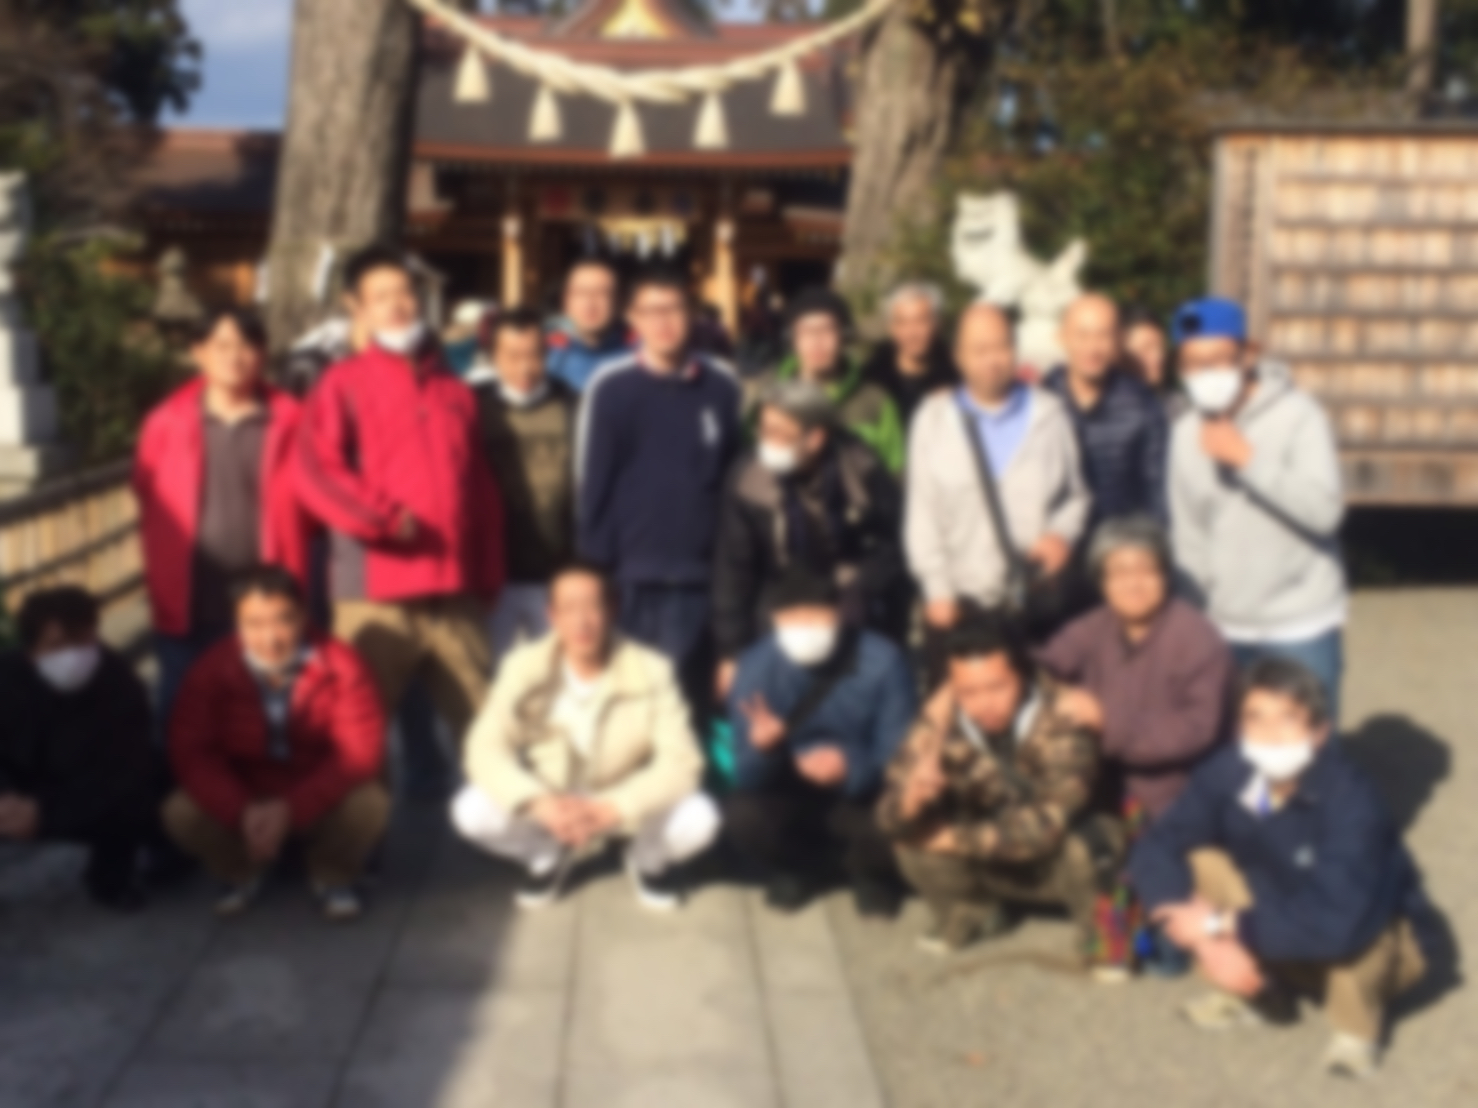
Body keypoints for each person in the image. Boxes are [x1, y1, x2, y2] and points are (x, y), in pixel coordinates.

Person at [1129, 657, 1430, 1079]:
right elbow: (1159, 843)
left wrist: (1215, 923)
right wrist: (1205, 940)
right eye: (1256, 718)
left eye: (1288, 719)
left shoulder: (1354, 800)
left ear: (1319, 733)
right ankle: (1251, 988)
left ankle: (1356, 1032)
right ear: (1240, 729)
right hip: (1280, 907)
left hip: (1374, 936)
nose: (1269, 734)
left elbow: (1338, 920)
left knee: (1355, 932)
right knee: (1199, 859)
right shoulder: (1228, 771)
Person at [295, 244, 504, 751]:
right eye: (381, 296)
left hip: (452, 590)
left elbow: (478, 487)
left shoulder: (454, 391)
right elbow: (316, 470)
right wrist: (383, 519)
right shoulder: (341, 383)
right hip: (374, 593)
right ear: (358, 307)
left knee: (490, 738)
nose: (397, 305)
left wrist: (488, 570)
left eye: (406, 293)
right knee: (356, 739)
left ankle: (490, 810)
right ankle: (363, 810)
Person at [451, 563, 720, 911]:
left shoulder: (652, 668)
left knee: (701, 816)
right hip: (551, 796)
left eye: (593, 607)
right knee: (470, 809)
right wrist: (537, 802)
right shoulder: (523, 666)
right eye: (569, 608)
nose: (582, 622)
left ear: (613, 609)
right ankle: (546, 855)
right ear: (552, 616)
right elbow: (484, 747)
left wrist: (615, 807)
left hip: (619, 799)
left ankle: (646, 858)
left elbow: (682, 761)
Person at [877, 614, 1121, 970]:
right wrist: (909, 802)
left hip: (1058, 860)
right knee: (910, 834)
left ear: (1022, 676)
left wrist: (949, 840)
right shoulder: (940, 724)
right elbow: (888, 812)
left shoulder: (1066, 718)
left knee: (1090, 848)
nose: (983, 703)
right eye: (968, 692)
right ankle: (975, 915)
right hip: (992, 851)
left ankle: (1101, 935)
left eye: (997, 687)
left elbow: (1044, 829)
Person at [164, 566, 389, 921]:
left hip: (314, 789)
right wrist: (241, 808)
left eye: (283, 620)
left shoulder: (344, 665)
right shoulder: (210, 670)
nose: (270, 639)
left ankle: (332, 873)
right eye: (253, 624)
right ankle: (241, 869)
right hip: (246, 792)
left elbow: (360, 754)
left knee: (369, 802)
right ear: (236, 624)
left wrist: (290, 808)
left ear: (303, 616)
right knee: (180, 811)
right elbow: (192, 755)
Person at [1167, 297, 1347, 720]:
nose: (1205, 374)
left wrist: (1247, 459)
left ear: (1248, 354)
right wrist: (1193, 619)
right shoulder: (1185, 432)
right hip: (1223, 626)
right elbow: (1189, 534)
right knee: (1235, 749)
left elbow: (1325, 512)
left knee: (1306, 746)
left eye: (1217, 359)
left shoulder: (1300, 416)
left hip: (1299, 623)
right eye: (1192, 364)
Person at [135, 306, 312, 734]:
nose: (235, 357)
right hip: (189, 594)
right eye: (222, 346)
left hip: (267, 592)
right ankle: (173, 778)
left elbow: (313, 501)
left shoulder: (292, 419)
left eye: (247, 345)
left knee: (270, 710)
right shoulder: (166, 422)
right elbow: (144, 487)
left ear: (263, 354)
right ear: (198, 352)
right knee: (181, 710)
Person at [576, 269, 743, 714]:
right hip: (633, 574)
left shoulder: (722, 386)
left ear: (692, 314)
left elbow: (735, 481)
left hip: (702, 575)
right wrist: (595, 570)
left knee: (690, 706)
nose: (664, 322)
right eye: (651, 311)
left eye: (674, 310)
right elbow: (593, 483)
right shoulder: (611, 387)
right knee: (629, 701)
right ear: (633, 318)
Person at [906, 302, 1089, 680]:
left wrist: (1062, 534)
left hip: (1034, 602)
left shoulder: (1050, 415)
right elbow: (922, 512)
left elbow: (1076, 496)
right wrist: (936, 587)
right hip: (961, 603)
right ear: (958, 357)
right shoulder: (933, 419)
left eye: (1001, 346)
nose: (992, 359)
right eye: (979, 350)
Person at [723, 568, 916, 916]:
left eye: (815, 618)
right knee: (742, 815)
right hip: (790, 786)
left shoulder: (885, 661)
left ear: (838, 613)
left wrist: (852, 766)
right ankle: (798, 868)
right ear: (775, 621)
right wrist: (767, 749)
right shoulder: (754, 667)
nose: (805, 629)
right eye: (793, 621)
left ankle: (873, 874)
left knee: (907, 807)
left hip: (862, 792)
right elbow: (745, 775)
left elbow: (899, 754)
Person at [712, 379, 906, 691]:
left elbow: (893, 542)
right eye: (763, 430)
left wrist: (861, 588)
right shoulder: (748, 480)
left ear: (815, 439)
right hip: (777, 608)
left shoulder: (861, 469)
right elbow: (734, 568)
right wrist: (731, 651)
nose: (766, 442)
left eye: (779, 433)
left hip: (853, 607)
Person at [1038, 515, 1234, 821]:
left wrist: (1105, 721)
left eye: (1146, 571)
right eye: (1119, 573)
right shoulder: (1095, 624)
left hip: (1174, 796)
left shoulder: (1197, 637)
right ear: (1102, 582)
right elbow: (1045, 662)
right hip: (1101, 783)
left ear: (1165, 576)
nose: (1133, 584)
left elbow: (1197, 728)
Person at [0, 587, 155, 911]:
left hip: (85, 793)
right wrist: (6, 798)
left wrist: (44, 810)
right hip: (15, 791)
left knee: (142, 794)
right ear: (31, 649)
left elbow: (128, 766)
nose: (72, 655)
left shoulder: (118, 679)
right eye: (57, 646)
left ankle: (111, 879)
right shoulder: (7, 677)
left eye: (82, 641)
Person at [467, 306, 578, 664]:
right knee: (495, 680)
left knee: (560, 676)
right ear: (492, 357)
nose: (525, 368)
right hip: (494, 576)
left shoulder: (573, 404)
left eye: (534, 355)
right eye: (512, 357)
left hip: (557, 572)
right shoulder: (472, 406)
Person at [1042, 293, 1168, 528]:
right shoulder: (1042, 402)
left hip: (1122, 540)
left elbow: (1157, 491)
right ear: (1062, 337)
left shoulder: (1143, 404)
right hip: (1055, 539)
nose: (1092, 347)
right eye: (1082, 335)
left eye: (1103, 335)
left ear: (1119, 340)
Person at [751, 287, 905, 473]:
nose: (816, 341)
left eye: (827, 330)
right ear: (793, 339)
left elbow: (896, 470)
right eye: (806, 331)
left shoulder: (875, 401)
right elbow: (749, 463)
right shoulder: (766, 396)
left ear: (844, 335)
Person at [861, 281, 958, 425]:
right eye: (903, 323)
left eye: (921, 321)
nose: (912, 333)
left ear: (937, 323)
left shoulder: (957, 378)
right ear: (891, 328)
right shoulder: (869, 381)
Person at [546, 257, 631, 391]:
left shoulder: (642, 354)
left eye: (601, 293)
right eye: (581, 293)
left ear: (618, 301)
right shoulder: (545, 355)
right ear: (566, 300)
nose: (589, 303)